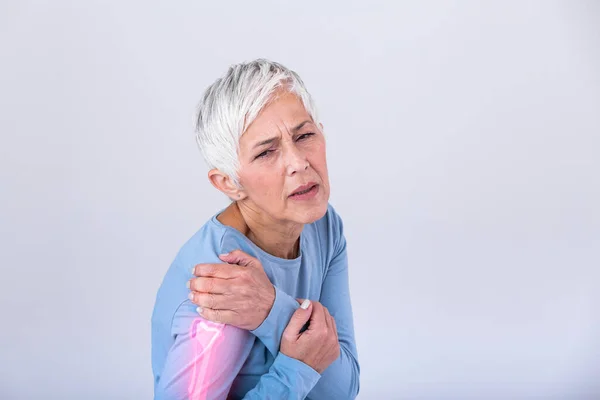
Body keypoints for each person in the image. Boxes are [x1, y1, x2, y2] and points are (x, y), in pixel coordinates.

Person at [151, 59, 360, 400]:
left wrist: (271, 309)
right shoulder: (218, 291)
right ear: (229, 183)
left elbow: (342, 389)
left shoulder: (323, 226)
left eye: (305, 135)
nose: (299, 162)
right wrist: (296, 367)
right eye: (267, 152)